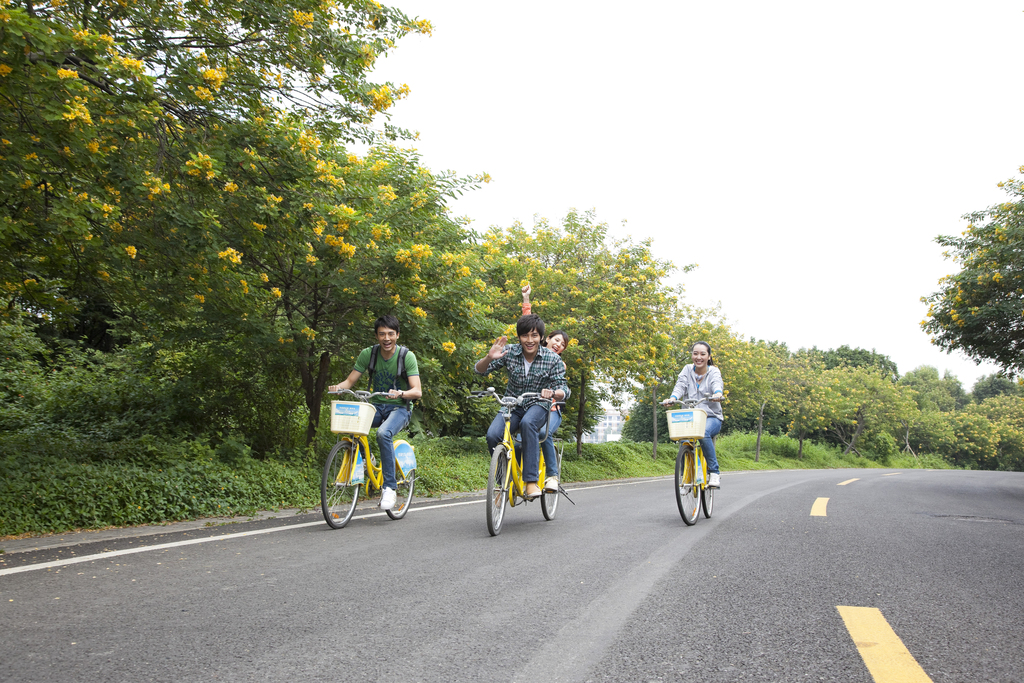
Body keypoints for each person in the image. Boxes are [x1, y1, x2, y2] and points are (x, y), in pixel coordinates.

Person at [328, 315, 422, 511]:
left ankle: (389, 487)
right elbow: (349, 381)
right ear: (377, 336)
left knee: (383, 433)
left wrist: (401, 393)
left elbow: (417, 391)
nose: (386, 338)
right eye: (382, 334)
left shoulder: (407, 356)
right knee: (352, 427)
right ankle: (365, 459)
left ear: (397, 335)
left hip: (400, 408)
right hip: (376, 406)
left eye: (390, 334)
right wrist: (338, 387)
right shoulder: (368, 354)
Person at [475, 313, 569, 500]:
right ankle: (504, 480)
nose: (529, 340)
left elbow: (563, 388)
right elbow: (479, 371)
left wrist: (554, 392)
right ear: (519, 337)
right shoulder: (509, 352)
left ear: (542, 338)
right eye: (525, 335)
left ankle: (531, 481)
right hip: (512, 403)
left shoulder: (552, 359)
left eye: (534, 336)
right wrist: (488, 357)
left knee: (528, 424)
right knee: (493, 435)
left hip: (538, 404)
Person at [521, 284, 568, 493]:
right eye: (557, 339)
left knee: (543, 432)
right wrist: (526, 298)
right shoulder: (532, 348)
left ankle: (552, 476)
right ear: (546, 338)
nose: (559, 344)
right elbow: (527, 325)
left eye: (563, 345)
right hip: (528, 405)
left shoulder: (558, 363)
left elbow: (561, 388)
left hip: (550, 410)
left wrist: (554, 394)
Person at [660, 341, 724, 488]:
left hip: (711, 417)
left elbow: (716, 384)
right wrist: (673, 398)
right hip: (691, 417)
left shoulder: (713, 371)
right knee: (684, 441)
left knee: (704, 432)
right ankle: (686, 477)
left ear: (708, 356)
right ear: (692, 355)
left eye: (702, 354)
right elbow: (680, 386)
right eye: (695, 353)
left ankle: (714, 472)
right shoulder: (687, 369)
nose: (698, 357)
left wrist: (718, 394)